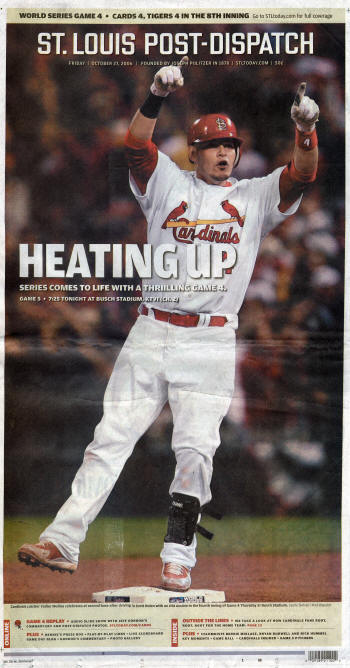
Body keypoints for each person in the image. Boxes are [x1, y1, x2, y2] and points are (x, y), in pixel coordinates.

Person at [18, 63, 319, 592]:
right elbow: (136, 148)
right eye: (214, 145)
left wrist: (305, 131)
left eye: (231, 145)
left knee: (195, 452)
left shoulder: (252, 197)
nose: (225, 152)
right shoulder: (167, 183)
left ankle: (179, 557)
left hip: (209, 338)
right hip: (151, 331)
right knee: (108, 439)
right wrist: (154, 97)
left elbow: (301, 174)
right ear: (195, 153)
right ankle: (62, 541)